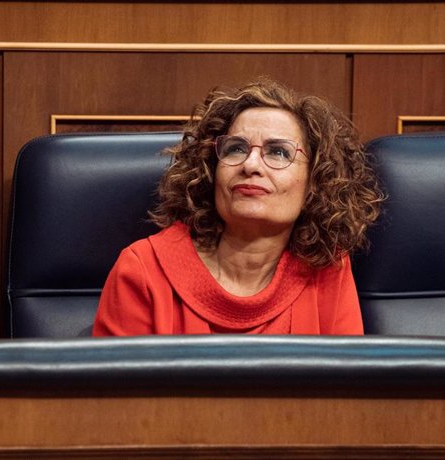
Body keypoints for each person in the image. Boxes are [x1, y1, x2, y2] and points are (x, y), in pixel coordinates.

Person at [92, 78, 384, 336]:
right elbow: (117, 398)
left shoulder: (327, 269)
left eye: (279, 152)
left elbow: (343, 395)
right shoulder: (143, 269)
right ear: (210, 170)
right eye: (236, 148)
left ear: (316, 181)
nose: (250, 164)